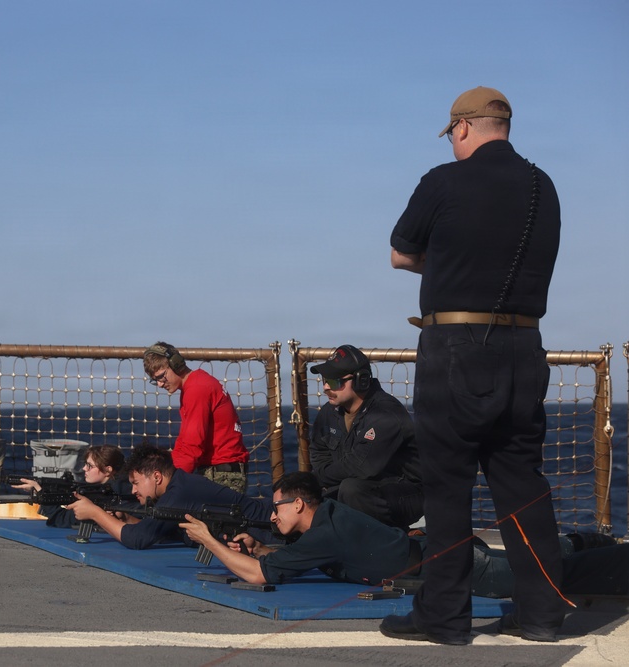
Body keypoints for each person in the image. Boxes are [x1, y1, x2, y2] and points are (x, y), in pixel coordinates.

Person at [382, 86, 566, 644]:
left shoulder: (443, 180)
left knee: (446, 488)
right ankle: (541, 616)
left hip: (456, 348)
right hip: (525, 350)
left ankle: (443, 617)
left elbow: (401, 253)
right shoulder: (544, 187)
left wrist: (447, 265)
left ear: (462, 128)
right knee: (523, 487)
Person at [179, 472, 628, 601]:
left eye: (276, 506)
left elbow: (259, 577)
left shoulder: (324, 534)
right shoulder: (327, 521)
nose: (271, 514)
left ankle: (612, 560)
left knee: (555, 577)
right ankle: (593, 540)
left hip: (454, 570)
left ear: (299, 505)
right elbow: (286, 557)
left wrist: (210, 540)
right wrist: (263, 545)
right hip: (444, 556)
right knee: (552, 557)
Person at [67, 442, 272, 550]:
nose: (133, 491)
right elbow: (162, 530)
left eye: (136, 483)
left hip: (271, 533)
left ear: (156, 477)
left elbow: (138, 539)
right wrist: (129, 519)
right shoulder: (180, 485)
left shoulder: (179, 493)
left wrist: (95, 513)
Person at [309, 344, 423, 530]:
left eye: (334, 381)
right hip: (354, 487)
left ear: (361, 380)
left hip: (407, 494)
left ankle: (391, 540)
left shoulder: (386, 414)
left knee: (352, 490)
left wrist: (317, 480)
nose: (326, 387)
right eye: (324, 380)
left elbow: (360, 467)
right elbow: (318, 451)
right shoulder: (328, 414)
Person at [142, 342, 249, 493]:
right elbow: (185, 441)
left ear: (176, 365)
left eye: (161, 377)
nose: (160, 384)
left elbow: (192, 446)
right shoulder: (195, 385)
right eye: (155, 380)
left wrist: (168, 485)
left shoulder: (196, 390)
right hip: (220, 471)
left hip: (221, 475)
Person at [12, 445, 129, 528]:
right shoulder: (123, 488)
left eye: (90, 466)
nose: (84, 469)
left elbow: (61, 520)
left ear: (108, 470)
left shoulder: (106, 496)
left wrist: (41, 493)